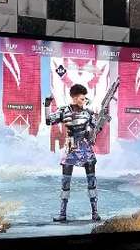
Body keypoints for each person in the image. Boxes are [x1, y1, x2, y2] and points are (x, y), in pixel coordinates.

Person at [44, 84, 111, 222]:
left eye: (85, 98)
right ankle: (62, 214)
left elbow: (96, 128)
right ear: (74, 98)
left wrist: (102, 120)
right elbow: (48, 121)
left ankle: (95, 213)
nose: (84, 101)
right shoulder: (64, 111)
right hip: (71, 148)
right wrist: (47, 105)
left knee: (92, 181)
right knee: (65, 182)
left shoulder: (88, 113)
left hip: (86, 148)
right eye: (82, 98)